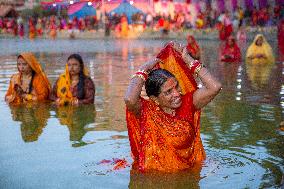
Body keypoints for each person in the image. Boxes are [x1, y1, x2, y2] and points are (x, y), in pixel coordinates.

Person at [124, 42, 222, 172]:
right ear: (155, 99)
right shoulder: (147, 110)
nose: (177, 94)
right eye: (168, 92)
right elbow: (129, 99)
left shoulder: (188, 103)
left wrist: (189, 60)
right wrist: (143, 69)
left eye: (176, 86)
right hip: (153, 179)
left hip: (186, 176)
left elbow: (215, 87)